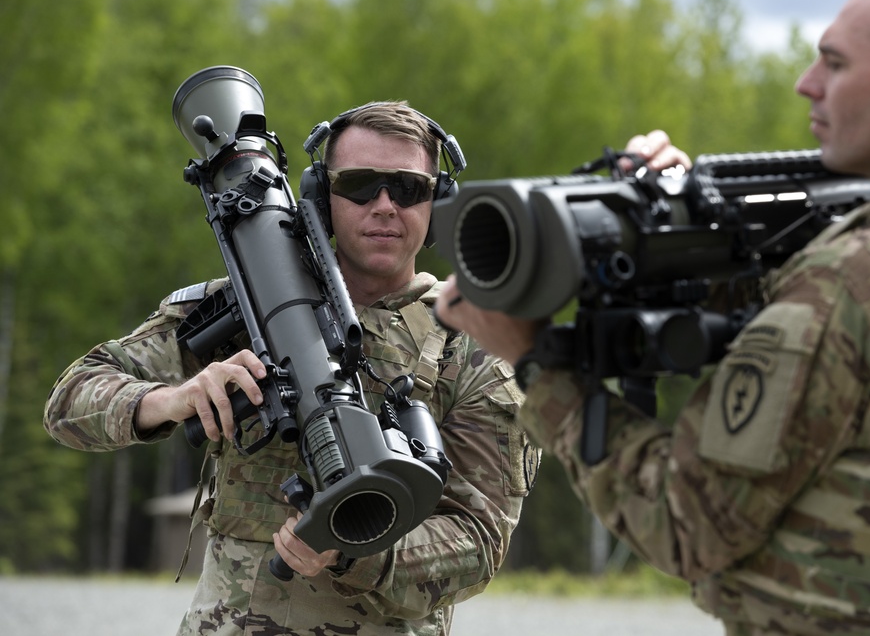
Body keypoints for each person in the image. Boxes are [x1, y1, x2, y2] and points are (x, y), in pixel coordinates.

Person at [435, 0, 870, 633]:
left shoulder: (863, 281)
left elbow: (683, 521)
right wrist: (677, 221)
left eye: (836, 62)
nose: (806, 82)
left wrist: (535, 363)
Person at [43, 101, 540, 635]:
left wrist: (352, 550)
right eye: (360, 184)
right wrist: (172, 400)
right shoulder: (247, 309)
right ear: (323, 198)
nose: (385, 205)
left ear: (438, 203)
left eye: (409, 188)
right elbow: (70, 402)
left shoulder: (476, 347)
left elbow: (478, 540)